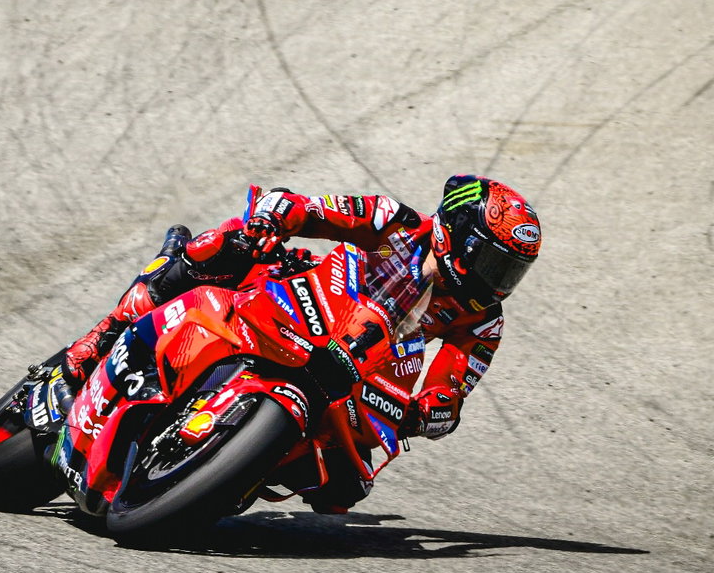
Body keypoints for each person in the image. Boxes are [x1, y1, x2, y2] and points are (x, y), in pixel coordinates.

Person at [56, 175, 542, 510]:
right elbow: (310, 210)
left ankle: (224, 468)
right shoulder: (396, 222)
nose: (498, 282)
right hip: (296, 302)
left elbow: (449, 394)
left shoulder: (483, 324)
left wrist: (427, 413)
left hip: (355, 371)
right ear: (458, 234)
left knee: (342, 489)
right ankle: (102, 338)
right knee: (219, 247)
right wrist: (275, 218)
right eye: (494, 263)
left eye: (511, 273)